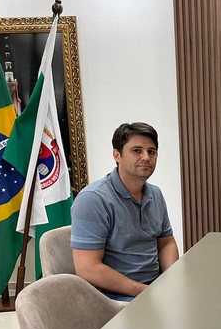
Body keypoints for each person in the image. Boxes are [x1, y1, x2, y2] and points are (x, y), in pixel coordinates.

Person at [71, 122, 179, 302]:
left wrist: (172, 282)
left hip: (153, 287)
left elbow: (166, 243)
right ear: (117, 155)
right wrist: (147, 292)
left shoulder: (155, 194)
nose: (146, 157)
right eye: (137, 150)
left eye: (151, 152)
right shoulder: (92, 199)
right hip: (114, 298)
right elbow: (87, 268)